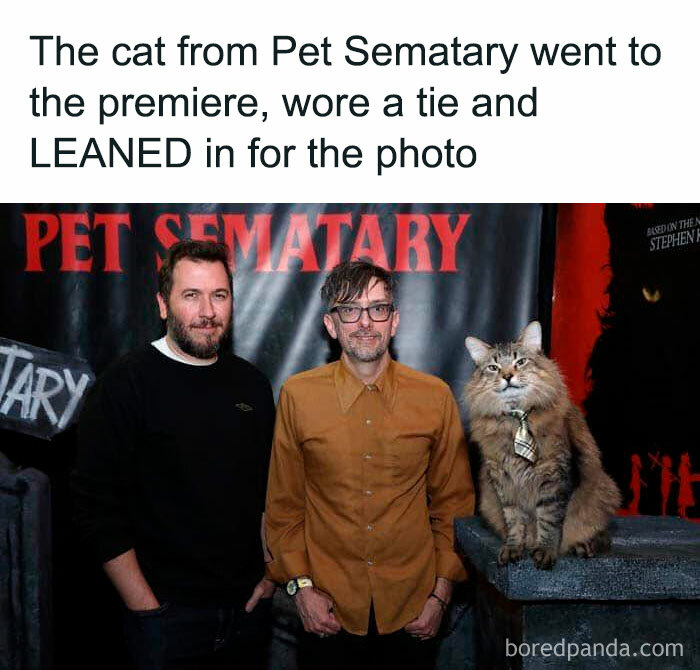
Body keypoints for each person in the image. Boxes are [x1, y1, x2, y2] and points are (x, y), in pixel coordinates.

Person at [73, 240, 276, 670]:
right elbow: (96, 509)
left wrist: (270, 576)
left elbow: (266, 495)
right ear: (163, 304)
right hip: (165, 622)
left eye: (219, 296)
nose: (207, 311)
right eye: (192, 295)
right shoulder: (125, 385)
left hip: (247, 615)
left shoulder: (253, 386)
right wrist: (146, 610)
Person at [265, 259, 475, 670]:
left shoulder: (433, 397)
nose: (365, 322)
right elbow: (284, 507)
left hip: (415, 612)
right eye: (350, 309)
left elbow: (454, 506)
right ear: (332, 325)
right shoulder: (298, 396)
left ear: (394, 321)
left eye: (378, 308)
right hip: (327, 612)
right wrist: (302, 590)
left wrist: (440, 596)